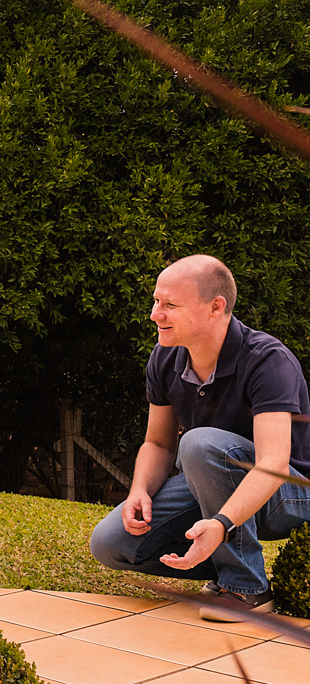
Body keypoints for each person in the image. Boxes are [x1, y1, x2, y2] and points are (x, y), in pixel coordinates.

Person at [89, 255, 310, 621]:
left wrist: (222, 523)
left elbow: (273, 462)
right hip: (209, 483)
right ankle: (225, 568)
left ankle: (246, 590)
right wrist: (139, 490)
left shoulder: (267, 360)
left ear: (216, 307)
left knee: (198, 443)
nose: (155, 314)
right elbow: (158, 443)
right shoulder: (164, 358)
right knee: (111, 545)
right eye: (156, 301)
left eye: (169, 305)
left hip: (290, 492)